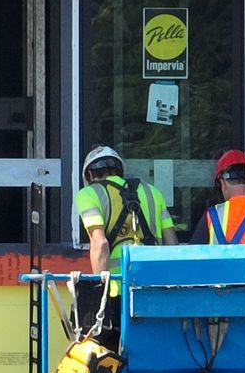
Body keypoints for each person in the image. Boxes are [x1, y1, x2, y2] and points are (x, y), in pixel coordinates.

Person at [72, 144, 177, 348]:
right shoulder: (152, 192)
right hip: (151, 288)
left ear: (90, 175)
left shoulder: (89, 194)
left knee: (109, 357)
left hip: (115, 293)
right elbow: (172, 243)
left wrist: (99, 296)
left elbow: (100, 243)